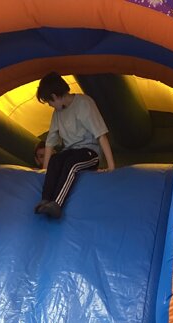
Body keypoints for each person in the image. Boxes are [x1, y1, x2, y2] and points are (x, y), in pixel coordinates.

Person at [34, 72, 115, 219]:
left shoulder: (84, 104)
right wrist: (45, 169)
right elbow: (50, 142)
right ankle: (45, 200)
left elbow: (101, 135)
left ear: (55, 96)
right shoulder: (58, 113)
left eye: (49, 102)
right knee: (56, 160)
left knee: (71, 163)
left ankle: (57, 204)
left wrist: (111, 168)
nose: (50, 105)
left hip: (90, 153)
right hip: (71, 151)